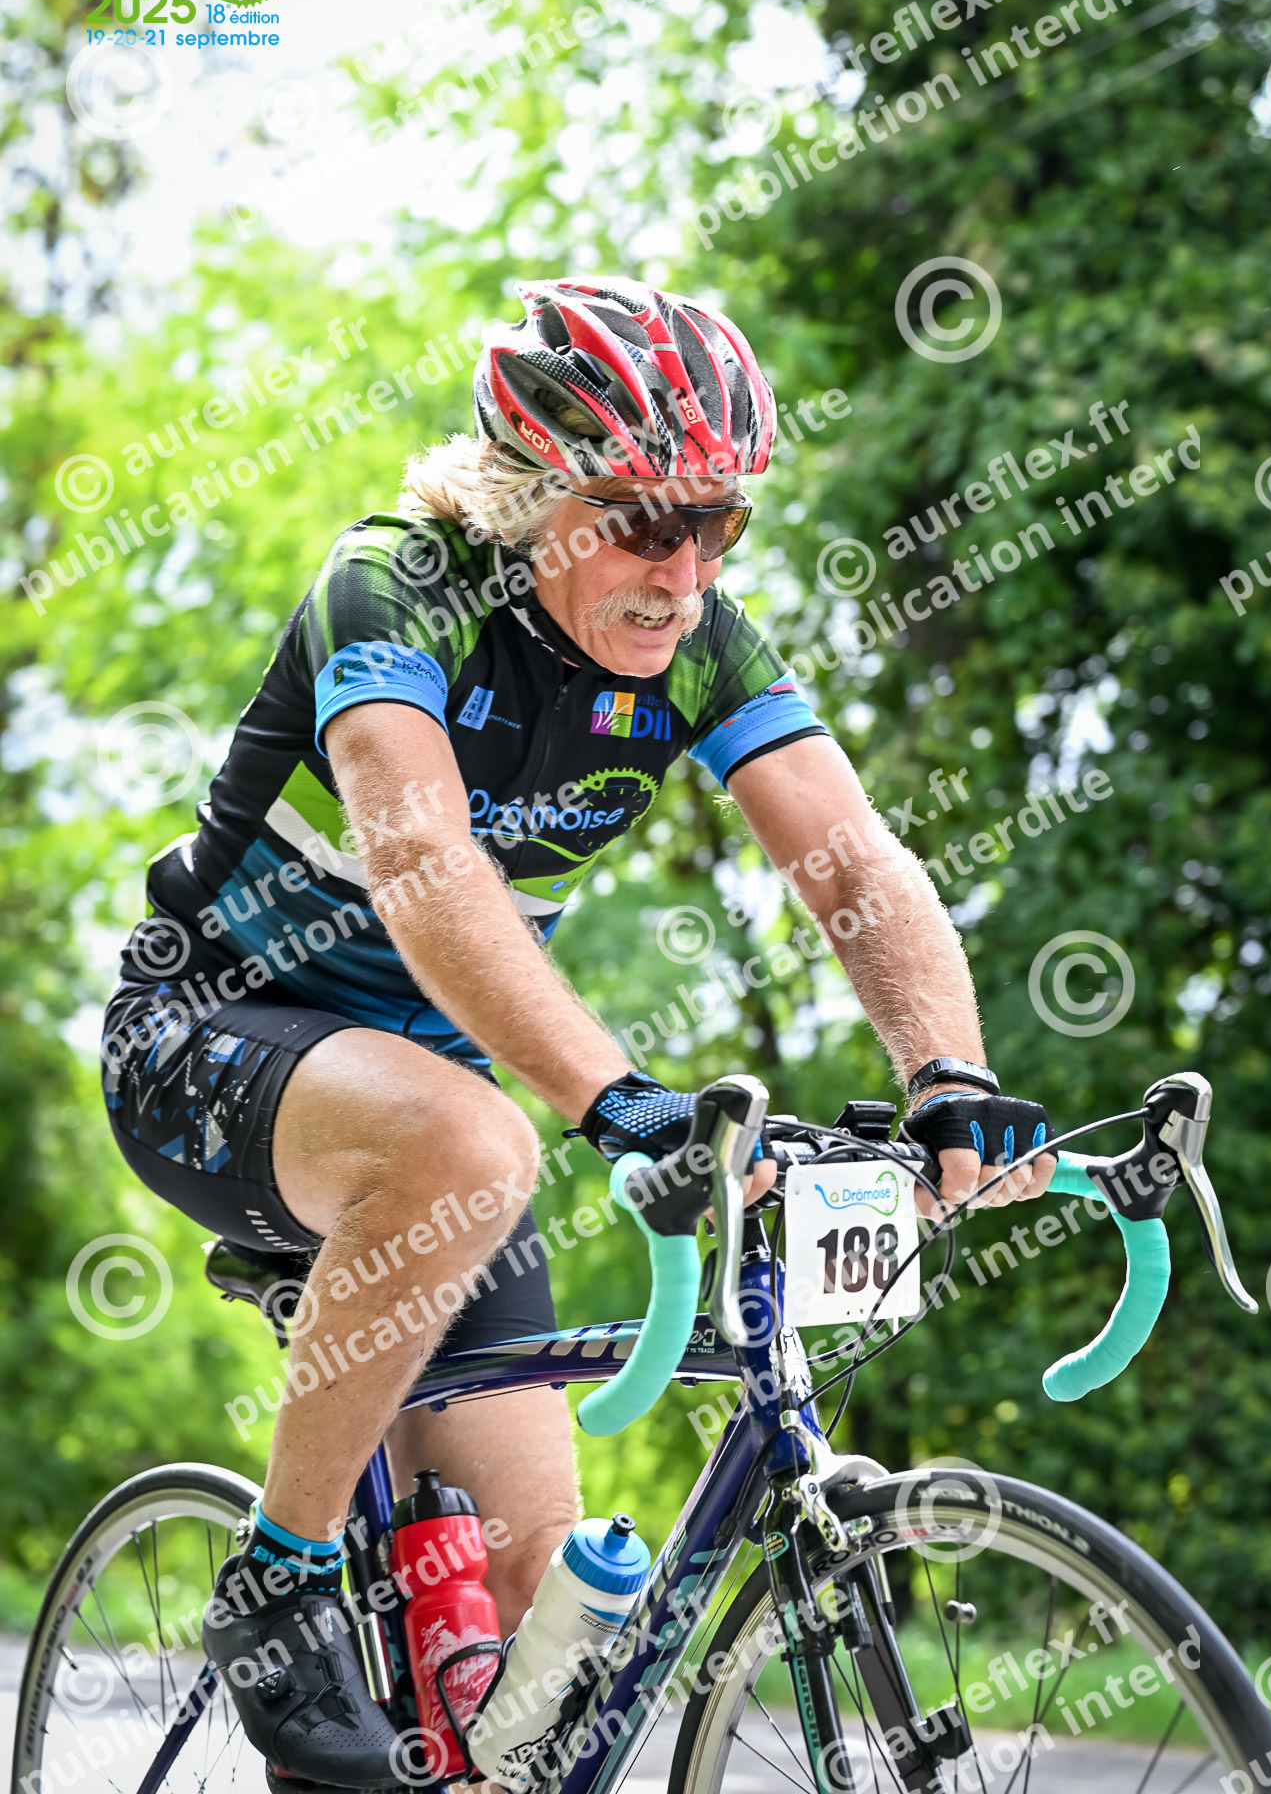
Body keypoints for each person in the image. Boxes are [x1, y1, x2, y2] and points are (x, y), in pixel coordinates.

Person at [100, 275, 1054, 1786]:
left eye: (720, 524)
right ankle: (277, 1583)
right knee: (478, 1139)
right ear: (530, 494)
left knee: (541, 1648)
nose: (685, 571)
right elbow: (423, 867)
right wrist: (617, 1100)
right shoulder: (396, 586)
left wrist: (951, 1078)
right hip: (208, 1042)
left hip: (437, 1113)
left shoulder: (702, 641)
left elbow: (854, 865)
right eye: (647, 521)